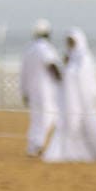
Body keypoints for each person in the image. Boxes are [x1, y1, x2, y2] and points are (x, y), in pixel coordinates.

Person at [43, 28, 96, 163]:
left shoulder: (85, 59)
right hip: (69, 101)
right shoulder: (68, 58)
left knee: (88, 126)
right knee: (69, 126)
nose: (69, 44)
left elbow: (87, 82)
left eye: (72, 41)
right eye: (68, 41)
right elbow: (62, 77)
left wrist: (87, 100)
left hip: (82, 101)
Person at [18, 18, 61, 156]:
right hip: (45, 90)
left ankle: (32, 147)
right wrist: (62, 80)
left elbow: (23, 72)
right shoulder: (45, 48)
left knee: (36, 119)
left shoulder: (28, 49)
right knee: (49, 117)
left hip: (32, 90)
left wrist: (24, 92)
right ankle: (38, 144)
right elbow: (52, 65)